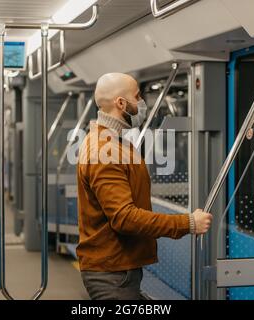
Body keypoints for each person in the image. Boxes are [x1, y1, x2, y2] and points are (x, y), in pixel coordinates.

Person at [76, 73, 213, 300]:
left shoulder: (113, 142)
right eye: (138, 96)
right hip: (112, 273)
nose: (142, 102)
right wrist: (187, 223)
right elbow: (124, 217)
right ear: (121, 103)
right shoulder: (106, 151)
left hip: (117, 268)